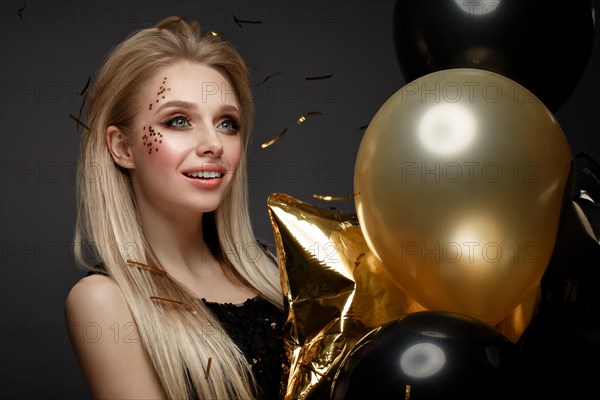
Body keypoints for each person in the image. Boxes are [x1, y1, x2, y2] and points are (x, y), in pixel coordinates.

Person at [64, 16, 285, 400]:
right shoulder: (104, 302)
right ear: (123, 148)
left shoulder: (279, 278)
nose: (213, 143)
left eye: (227, 123)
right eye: (179, 120)